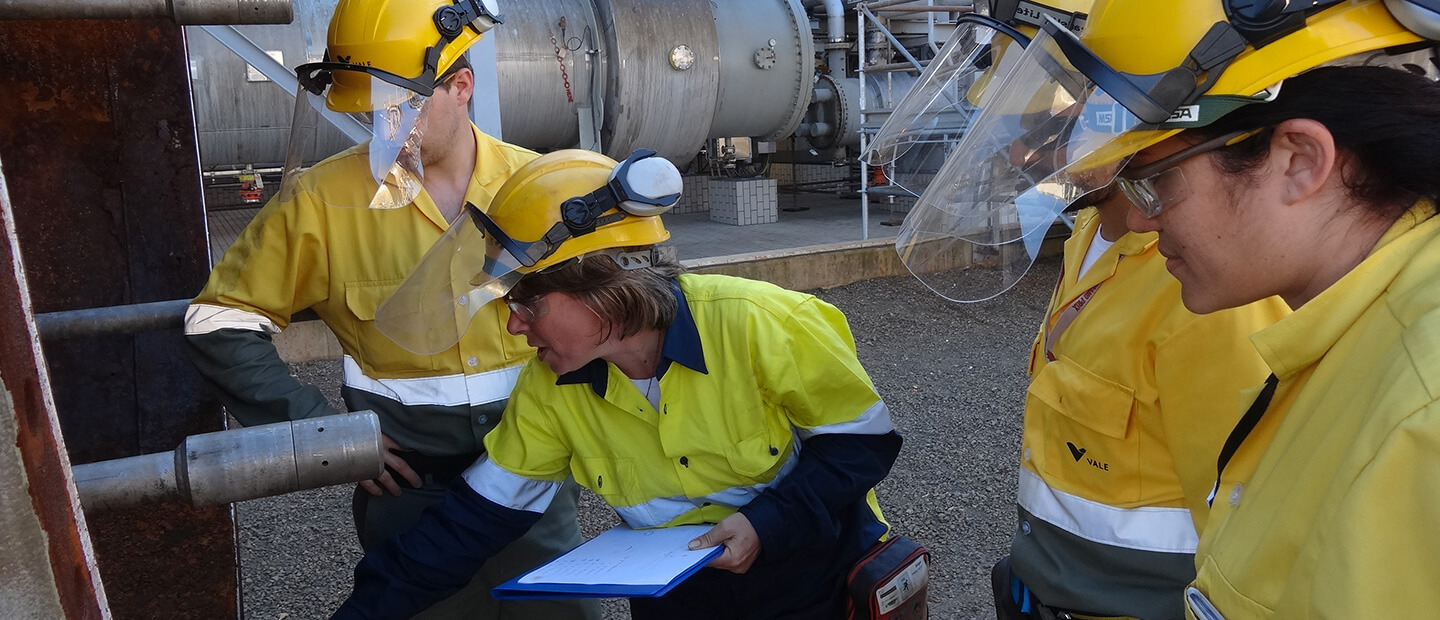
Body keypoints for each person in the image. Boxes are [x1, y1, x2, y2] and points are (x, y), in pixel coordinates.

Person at [914, 0, 1440, 616]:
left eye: (1156, 178)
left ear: (1300, 161)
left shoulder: (1419, 413)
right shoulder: (1356, 346)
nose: (1136, 216)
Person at [329, 148, 904, 619]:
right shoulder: (550, 390)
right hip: (680, 603)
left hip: (816, 581)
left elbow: (862, 444)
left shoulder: (762, 323)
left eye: (527, 301)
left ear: (601, 288)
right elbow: (469, 523)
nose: (512, 323)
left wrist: (766, 523)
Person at [183, 1, 596, 618]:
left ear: (461, 85)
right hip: (409, 498)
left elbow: (615, 320)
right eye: (373, 112)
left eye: (402, 107)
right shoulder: (322, 202)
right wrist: (325, 433)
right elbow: (219, 322)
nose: (386, 128)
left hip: (533, 487)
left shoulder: (539, 188)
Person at [877, 2, 1289, 616]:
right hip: (1049, 587)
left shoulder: (1210, 296)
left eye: (1047, 127)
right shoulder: (1089, 233)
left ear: (1123, 117)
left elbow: (1261, 529)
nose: (1024, 155)